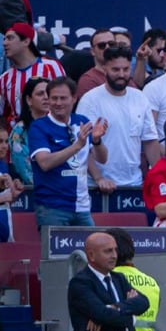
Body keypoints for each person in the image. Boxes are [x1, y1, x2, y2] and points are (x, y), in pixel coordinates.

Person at [77, 46, 161, 193]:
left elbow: (150, 141)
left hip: (134, 184)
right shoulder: (89, 100)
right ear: (104, 69)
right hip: (96, 187)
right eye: (115, 70)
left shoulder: (140, 98)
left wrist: (160, 177)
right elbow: (83, 146)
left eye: (126, 69)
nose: (121, 74)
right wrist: (99, 179)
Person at [30, 77, 107, 228]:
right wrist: (77, 146)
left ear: (74, 98)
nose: (58, 103)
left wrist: (97, 141)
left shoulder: (82, 121)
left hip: (82, 207)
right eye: (54, 98)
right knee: (55, 252)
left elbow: (102, 159)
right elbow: (44, 163)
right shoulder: (39, 127)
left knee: (90, 249)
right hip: (52, 207)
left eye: (63, 98)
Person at [0, 22, 65, 128]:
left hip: (49, 135)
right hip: (19, 140)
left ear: (26, 41)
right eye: (4, 39)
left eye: (10, 38)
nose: (5, 43)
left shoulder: (51, 67)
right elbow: (3, 113)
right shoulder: (4, 78)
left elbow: (64, 100)